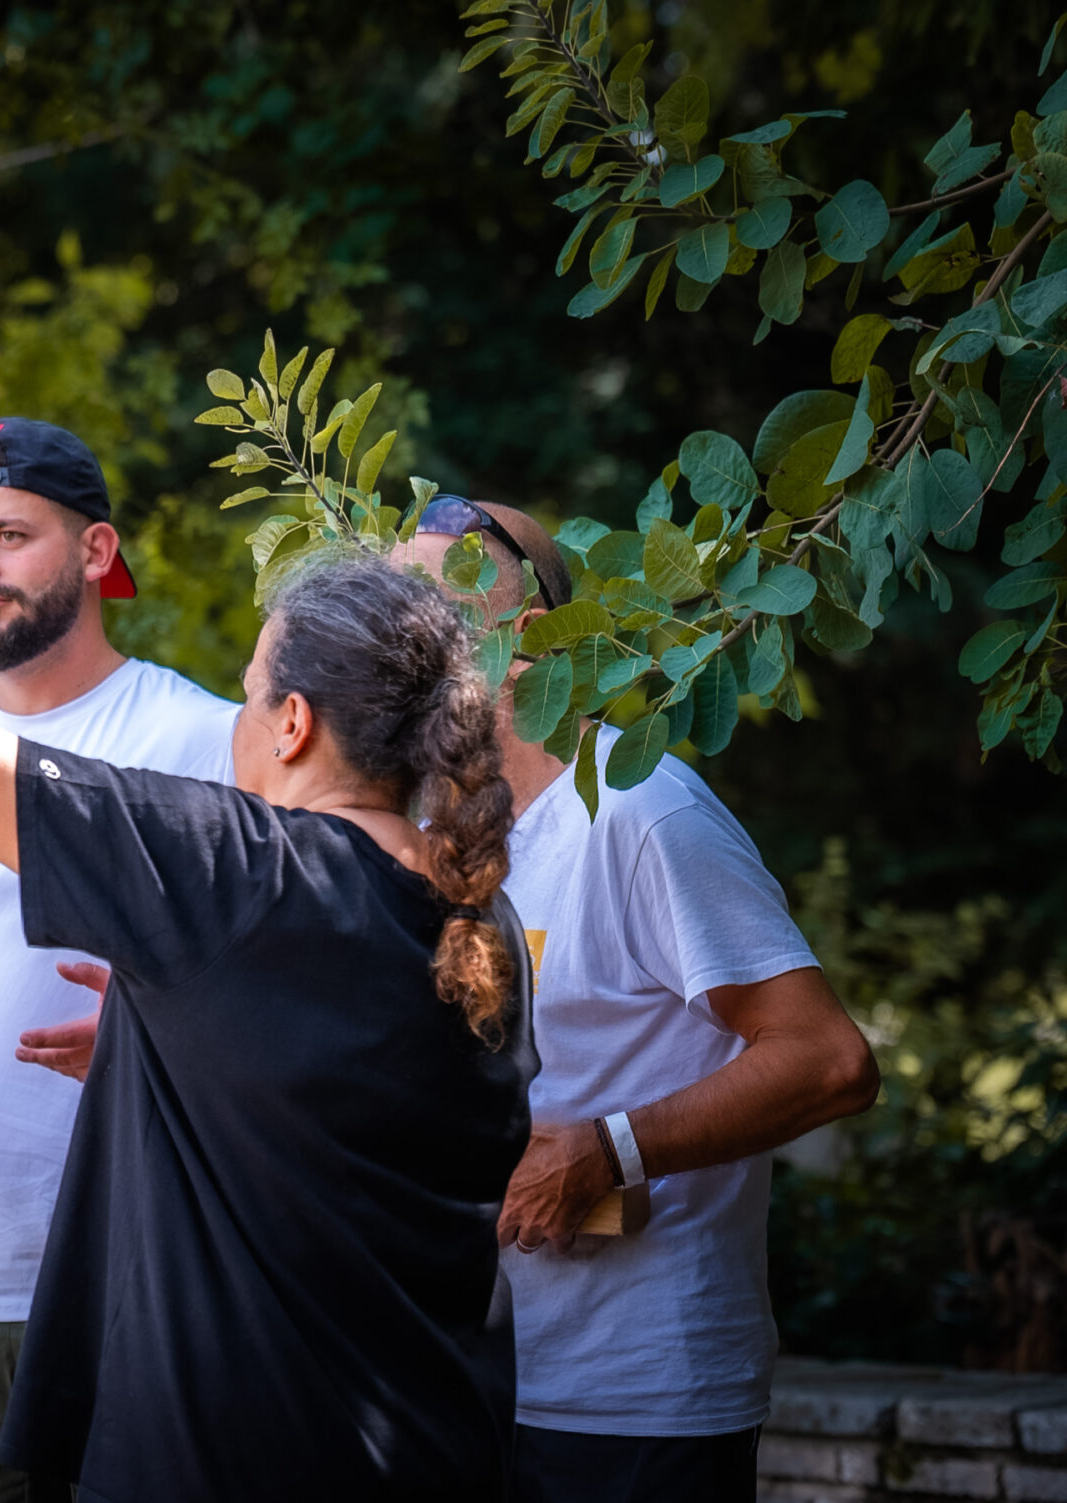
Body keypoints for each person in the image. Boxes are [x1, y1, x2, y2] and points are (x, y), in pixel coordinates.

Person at [0, 342, 537, 1499]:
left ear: (291, 725)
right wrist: (171, 1051)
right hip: (420, 1448)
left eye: (248, 696)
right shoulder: (478, 927)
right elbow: (309, 1109)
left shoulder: (238, 874)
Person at [390, 497, 881, 1503]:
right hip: (468, 1379)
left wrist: (612, 1149)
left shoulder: (640, 809)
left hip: (636, 1401)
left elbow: (829, 1061)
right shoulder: (433, 835)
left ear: (520, 640)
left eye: (420, 608)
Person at [0, 416, 238, 1501]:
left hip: (151, 1280)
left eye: (10, 535)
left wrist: (170, 1023)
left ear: (96, 552)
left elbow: (294, 985)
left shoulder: (204, 742)